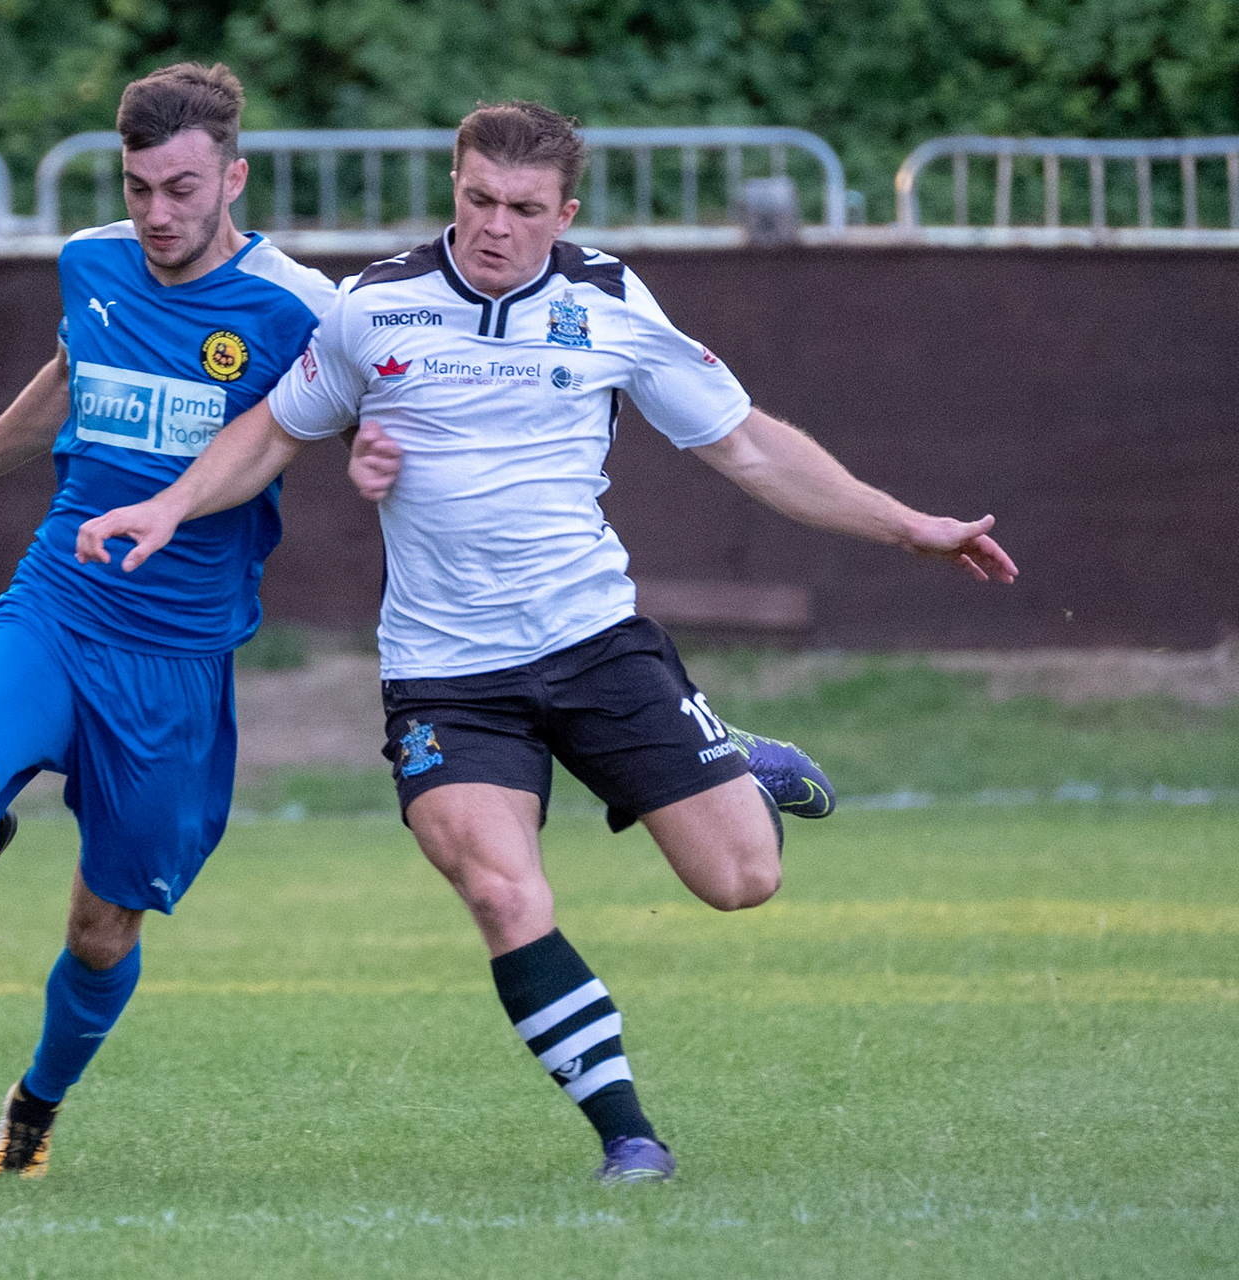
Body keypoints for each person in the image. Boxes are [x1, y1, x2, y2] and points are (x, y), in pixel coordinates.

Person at [75, 101, 1018, 1185]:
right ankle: (629, 1135)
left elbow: (751, 448)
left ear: (564, 214)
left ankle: (735, 764)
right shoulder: (374, 307)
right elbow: (276, 428)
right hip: (444, 676)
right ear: (455, 186)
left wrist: (908, 525)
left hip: (596, 645)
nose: (495, 226)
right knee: (501, 891)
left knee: (742, 879)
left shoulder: (608, 301)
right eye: (478, 199)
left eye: (524, 209)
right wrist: (170, 506)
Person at [0, 62, 335, 1178]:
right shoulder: (91, 262)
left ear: (235, 178)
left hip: (176, 659)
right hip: (58, 605)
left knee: (100, 930)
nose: (158, 214)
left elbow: (383, 401)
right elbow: (69, 376)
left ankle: (34, 1108)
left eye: (182, 189)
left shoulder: (302, 309)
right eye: (138, 188)